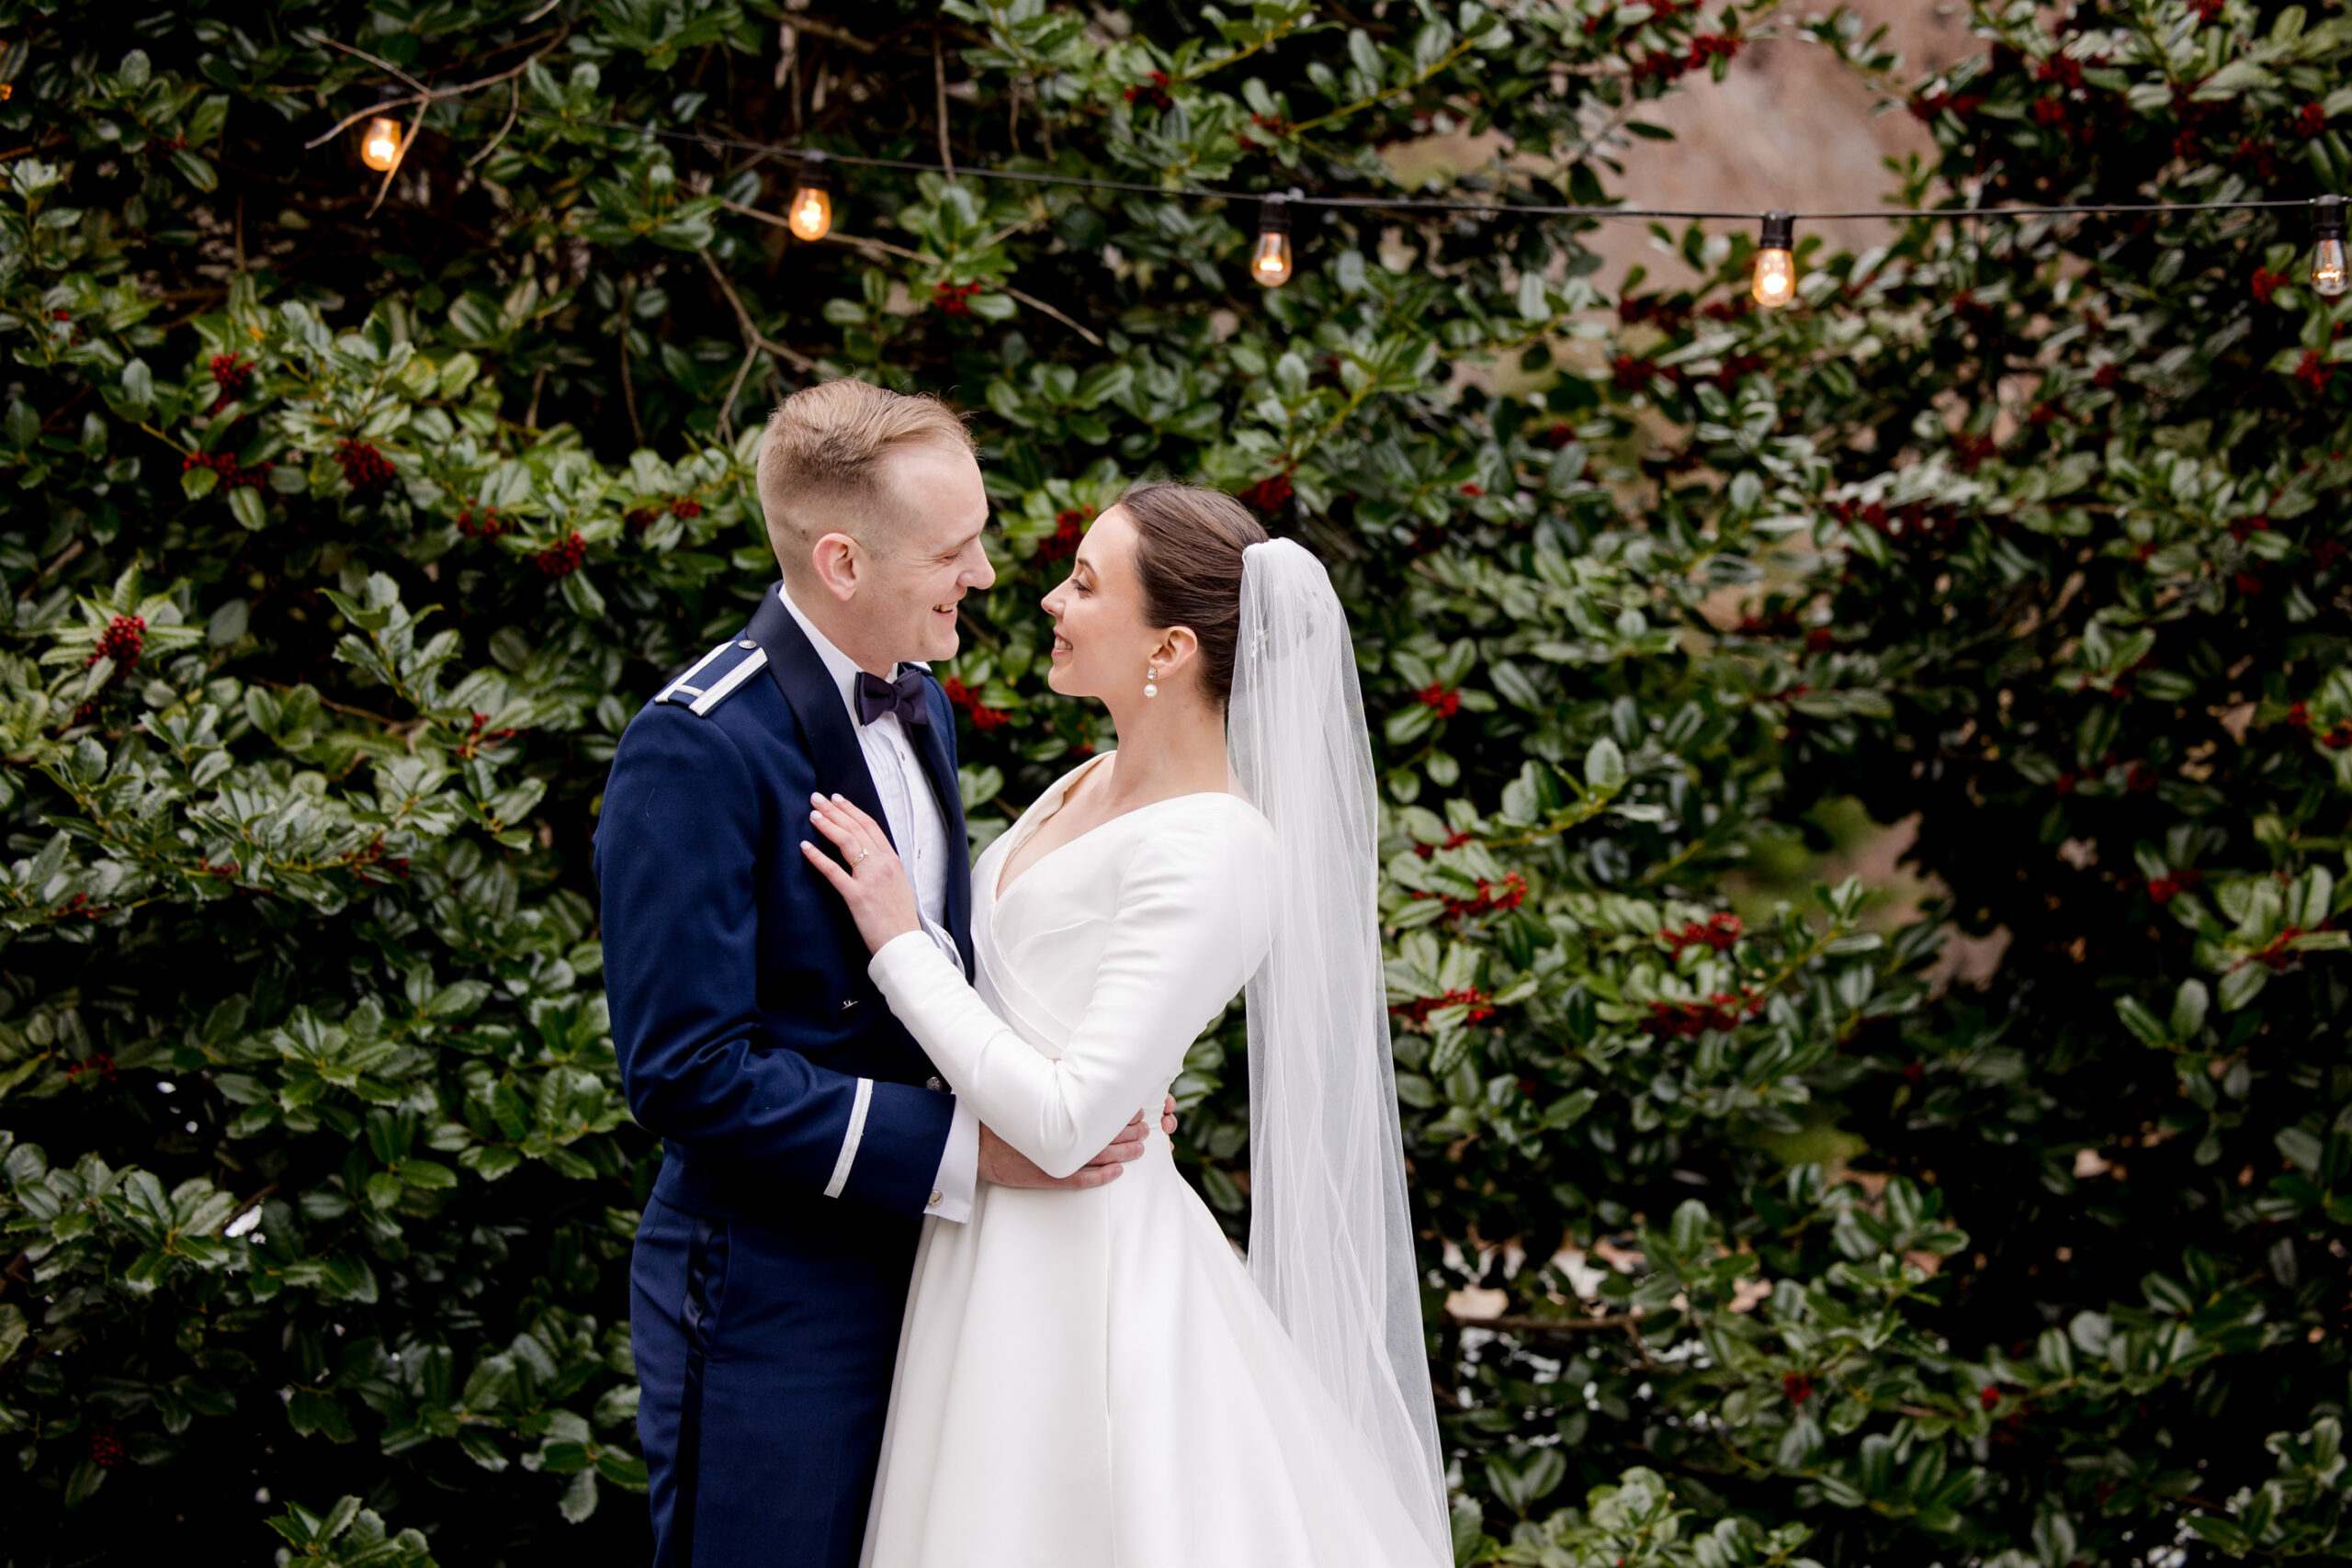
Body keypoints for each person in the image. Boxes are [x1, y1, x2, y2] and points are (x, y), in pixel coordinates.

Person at [801, 481, 1453, 1568]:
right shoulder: (1091, 780)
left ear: (1172, 649)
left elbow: (1064, 1124)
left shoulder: (1220, 849)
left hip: (1078, 1273)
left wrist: (896, 941)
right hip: (982, 1242)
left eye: (1086, 584)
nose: (1047, 599)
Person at [595, 379, 1172, 1568]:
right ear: (844, 560)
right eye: (954, 549)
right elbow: (685, 1073)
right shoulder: (695, 743)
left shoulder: (922, 701)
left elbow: (937, 973)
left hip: (941, 1268)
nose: (987, 573)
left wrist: (1089, 1078)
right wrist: (974, 1149)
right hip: (770, 1290)